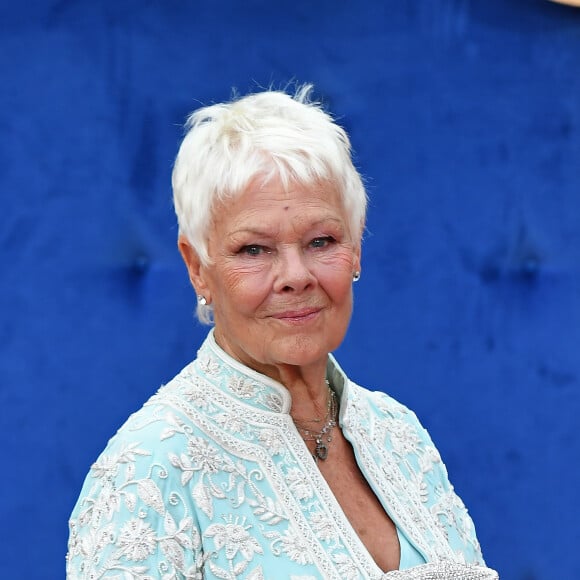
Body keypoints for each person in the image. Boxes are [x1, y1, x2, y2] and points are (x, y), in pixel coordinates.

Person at [66, 85, 498, 579]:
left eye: (321, 241)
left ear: (355, 250)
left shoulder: (398, 433)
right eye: (254, 249)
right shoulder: (147, 473)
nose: (296, 275)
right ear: (198, 267)